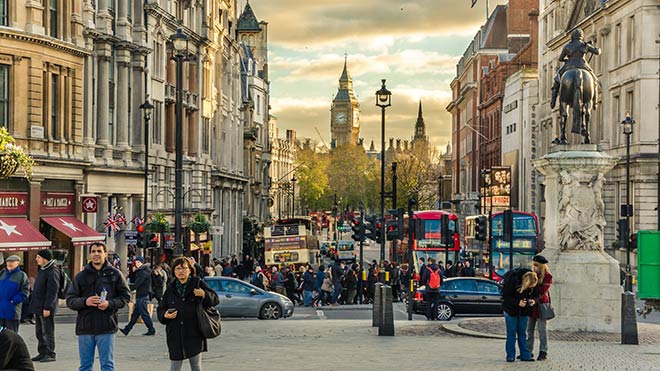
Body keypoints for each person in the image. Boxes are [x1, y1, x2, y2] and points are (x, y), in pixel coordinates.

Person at [66, 242, 131, 371]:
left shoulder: (115, 274)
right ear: (90, 254)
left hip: (107, 326)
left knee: (107, 364)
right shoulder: (81, 276)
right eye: (94, 251)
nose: (96, 254)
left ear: (105, 254)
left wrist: (109, 304)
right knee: (85, 366)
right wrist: (85, 301)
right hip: (85, 327)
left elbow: (125, 297)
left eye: (99, 251)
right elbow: (70, 300)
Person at [157, 257, 219, 371]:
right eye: (178, 268)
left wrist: (204, 294)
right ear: (174, 271)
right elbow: (161, 308)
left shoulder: (197, 283)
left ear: (190, 270)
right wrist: (164, 315)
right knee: (175, 367)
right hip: (175, 333)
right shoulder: (170, 288)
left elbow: (215, 299)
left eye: (184, 268)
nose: (181, 271)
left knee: (196, 366)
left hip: (194, 332)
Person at [550, 28, 600, 109]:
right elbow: (597, 52)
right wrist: (598, 50)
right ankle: (595, 103)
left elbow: (560, 58)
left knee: (556, 80)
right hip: (583, 65)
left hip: (569, 65)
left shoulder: (567, 46)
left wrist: (566, 59)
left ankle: (553, 101)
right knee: (595, 81)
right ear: (581, 36)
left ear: (572, 36)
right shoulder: (585, 45)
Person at [29, 249, 60, 363]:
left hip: (46, 308)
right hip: (38, 307)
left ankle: (50, 353)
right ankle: (42, 352)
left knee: (47, 332)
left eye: (38, 257)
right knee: (39, 332)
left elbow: (52, 291)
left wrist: (47, 307)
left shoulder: (53, 270)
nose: (36, 259)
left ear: (45, 259)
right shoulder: (43, 269)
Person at [501, 269, 537, 362]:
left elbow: (534, 295)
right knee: (511, 333)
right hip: (510, 310)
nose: (530, 287)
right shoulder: (513, 280)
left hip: (523, 311)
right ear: (526, 282)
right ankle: (510, 355)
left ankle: (525, 355)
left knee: (522, 333)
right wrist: (518, 302)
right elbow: (506, 297)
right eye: (529, 286)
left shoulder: (532, 280)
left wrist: (533, 300)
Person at [527, 255, 553, 361]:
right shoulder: (531, 275)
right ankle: (528, 351)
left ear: (541, 266)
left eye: (536, 265)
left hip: (541, 305)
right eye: (533, 265)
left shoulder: (548, 276)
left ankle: (543, 351)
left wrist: (535, 299)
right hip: (531, 306)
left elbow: (543, 292)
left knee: (542, 330)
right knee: (529, 330)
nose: (534, 267)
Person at [120, 256, 155, 336]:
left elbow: (137, 284)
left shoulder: (143, 272)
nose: (137, 264)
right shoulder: (141, 271)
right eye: (136, 262)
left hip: (142, 295)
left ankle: (151, 329)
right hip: (141, 294)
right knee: (135, 314)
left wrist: (127, 289)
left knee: (144, 313)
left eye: (139, 262)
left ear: (142, 263)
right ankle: (127, 329)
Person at [0, 255, 29, 332]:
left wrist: (14, 301)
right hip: (1, 312)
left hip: (12, 312)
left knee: (12, 336)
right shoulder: (2, 273)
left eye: (12, 262)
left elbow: (25, 292)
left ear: (17, 263)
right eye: (8, 262)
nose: (9, 264)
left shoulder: (22, 275)